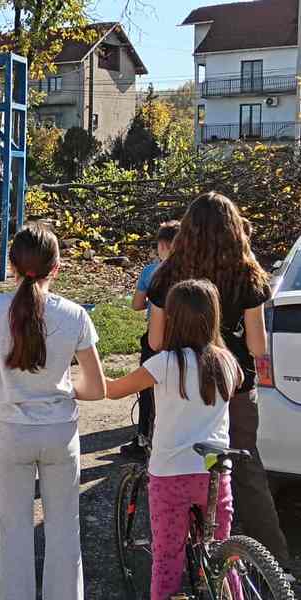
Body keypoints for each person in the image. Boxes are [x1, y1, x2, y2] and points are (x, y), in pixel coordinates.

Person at [146, 192, 291, 568]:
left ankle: (180, 556)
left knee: (178, 467)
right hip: (234, 384)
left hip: (179, 384)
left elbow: (156, 341)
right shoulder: (248, 274)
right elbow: (258, 347)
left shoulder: (169, 273)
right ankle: (275, 562)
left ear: (188, 230)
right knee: (243, 467)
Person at [0, 224, 106, 600]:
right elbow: (97, 388)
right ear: (57, 267)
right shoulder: (76, 315)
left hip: (12, 433)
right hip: (60, 433)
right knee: (65, 531)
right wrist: (62, 390)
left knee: (13, 532)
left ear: (11, 266)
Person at [106, 279, 242, 600]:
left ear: (172, 319)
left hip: (172, 472)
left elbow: (113, 390)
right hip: (215, 470)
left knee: (168, 556)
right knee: (221, 553)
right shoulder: (228, 363)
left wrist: (85, 369)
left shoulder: (163, 364)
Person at [121, 220, 181, 460]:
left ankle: (144, 437)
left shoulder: (152, 272)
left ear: (163, 245)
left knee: (147, 389)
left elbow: (136, 305)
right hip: (184, 337)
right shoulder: (197, 269)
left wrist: (151, 303)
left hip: (155, 337)